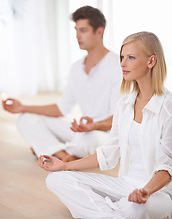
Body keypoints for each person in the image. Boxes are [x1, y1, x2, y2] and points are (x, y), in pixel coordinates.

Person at [38, 31, 172, 219]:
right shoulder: (125, 104)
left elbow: (167, 168)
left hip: (159, 194)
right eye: (121, 57)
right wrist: (64, 165)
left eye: (131, 57)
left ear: (151, 61)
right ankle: (114, 217)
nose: (123, 63)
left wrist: (145, 192)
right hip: (126, 185)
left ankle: (110, 210)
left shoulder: (167, 108)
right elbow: (108, 154)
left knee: (133, 209)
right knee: (56, 179)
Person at [2, 6, 121, 162]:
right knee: (25, 119)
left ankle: (49, 149)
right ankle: (63, 155)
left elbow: (118, 119)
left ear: (99, 32)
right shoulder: (77, 67)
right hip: (82, 130)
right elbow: (61, 108)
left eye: (83, 30)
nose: (77, 36)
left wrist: (93, 126)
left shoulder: (118, 66)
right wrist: (23, 107)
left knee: (86, 142)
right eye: (76, 30)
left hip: (104, 134)